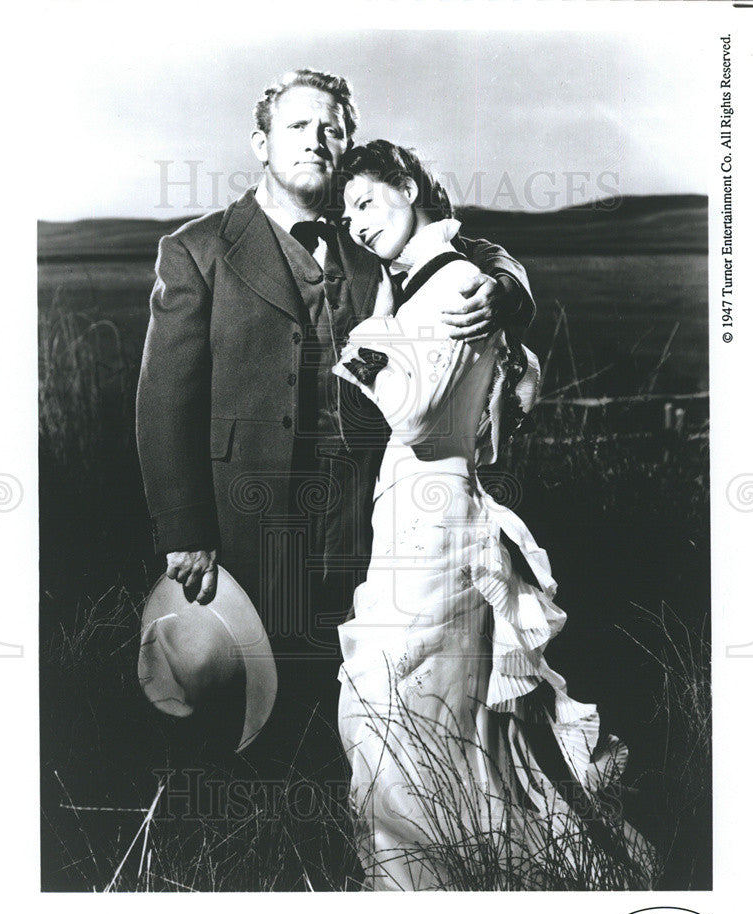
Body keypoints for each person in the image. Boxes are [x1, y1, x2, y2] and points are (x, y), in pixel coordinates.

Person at [136, 70, 535, 772]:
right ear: (261, 144)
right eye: (298, 127)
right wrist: (186, 533)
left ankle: (345, 822)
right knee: (258, 695)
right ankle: (250, 839)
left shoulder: (369, 235)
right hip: (248, 514)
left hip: (365, 513)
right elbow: (163, 403)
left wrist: (507, 290)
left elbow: (469, 252)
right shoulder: (198, 249)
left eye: (333, 129)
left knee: (357, 689)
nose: (317, 141)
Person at [334, 140, 655, 890]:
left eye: (368, 202)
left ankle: (431, 873)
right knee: (413, 690)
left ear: (409, 186)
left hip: (437, 512)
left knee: (409, 688)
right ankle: (437, 860)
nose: (355, 223)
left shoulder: (459, 283)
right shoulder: (407, 279)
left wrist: (363, 348)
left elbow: (415, 421)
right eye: (346, 212)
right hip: (406, 508)